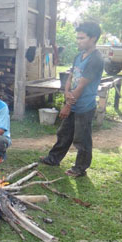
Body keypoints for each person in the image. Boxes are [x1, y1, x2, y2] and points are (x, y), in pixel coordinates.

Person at [40, 22, 104, 177]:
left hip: (84, 106)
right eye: (78, 38)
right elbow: (71, 77)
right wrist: (67, 91)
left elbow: (81, 86)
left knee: (81, 138)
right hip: (73, 101)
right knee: (64, 133)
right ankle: (53, 158)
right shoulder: (78, 56)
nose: (78, 41)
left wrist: (68, 105)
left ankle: (80, 168)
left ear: (93, 38)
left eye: (81, 38)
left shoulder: (96, 59)